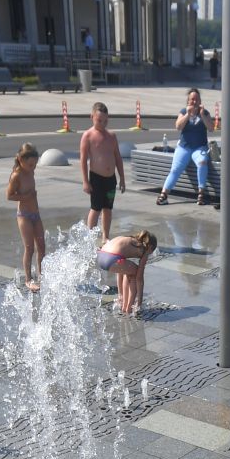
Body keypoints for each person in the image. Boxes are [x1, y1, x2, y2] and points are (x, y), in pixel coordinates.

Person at [157, 87, 214, 206]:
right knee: (175, 169)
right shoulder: (183, 111)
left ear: (200, 101)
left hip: (199, 147)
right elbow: (178, 126)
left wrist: (203, 115)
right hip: (184, 147)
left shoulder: (205, 112)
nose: (194, 102)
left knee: (202, 162)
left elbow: (211, 128)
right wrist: (188, 115)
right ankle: (164, 194)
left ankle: (201, 193)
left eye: (197, 99)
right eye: (192, 99)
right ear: (188, 102)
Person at [79, 101, 125, 238]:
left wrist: (122, 178)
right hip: (96, 178)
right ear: (91, 117)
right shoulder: (88, 135)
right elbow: (83, 160)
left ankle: (105, 236)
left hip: (110, 179)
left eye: (105, 121)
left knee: (108, 208)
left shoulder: (111, 136)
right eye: (99, 120)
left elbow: (117, 157)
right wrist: (85, 181)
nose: (102, 124)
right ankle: (90, 236)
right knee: (96, 208)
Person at [6, 142, 44, 291]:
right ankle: (28, 279)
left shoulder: (30, 172)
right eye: (30, 165)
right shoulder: (17, 175)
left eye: (35, 165)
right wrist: (26, 196)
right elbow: (9, 196)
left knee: (41, 247)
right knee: (29, 248)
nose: (33, 168)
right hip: (24, 215)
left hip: (36, 214)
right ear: (21, 160)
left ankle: (42, 275)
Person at [98, 228, 157, 315]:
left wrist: (120, 294)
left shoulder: (129, 240)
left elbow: (120, 272)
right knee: (135, 272)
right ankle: (129, 308)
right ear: (150, 247)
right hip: (110, 258)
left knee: (128, 270)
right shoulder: (144, 249)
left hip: (101, 256)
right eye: (151, 252)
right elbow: (139, 278)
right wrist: (140, 301)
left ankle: (122, 302)